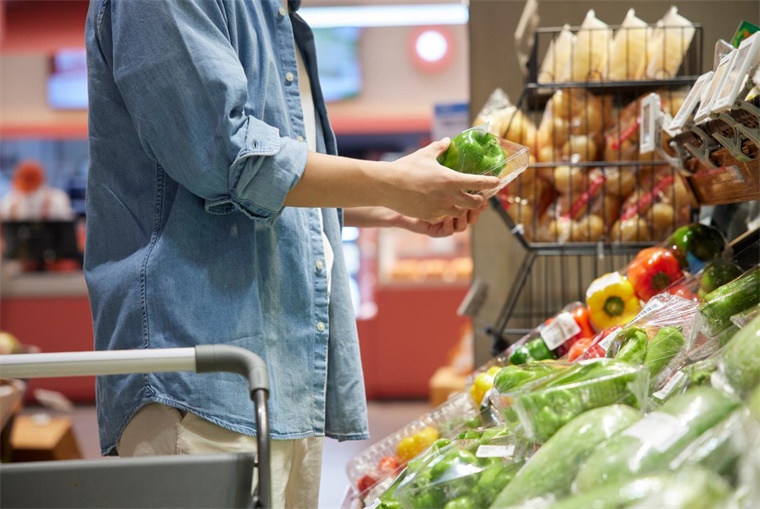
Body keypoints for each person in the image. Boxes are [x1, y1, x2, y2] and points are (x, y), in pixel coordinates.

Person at [84, 0, 499, 506]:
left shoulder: (276, 12)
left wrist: (392, 208)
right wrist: (391, 184)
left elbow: (273, 181)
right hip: (199, 378)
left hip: (284, 369)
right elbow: (226, 156)